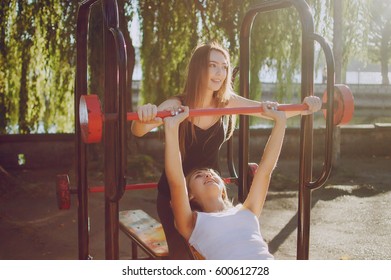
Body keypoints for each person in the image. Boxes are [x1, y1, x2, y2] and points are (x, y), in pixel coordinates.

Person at [131, 41, 322, 259]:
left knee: (219, 246)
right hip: (176, 194)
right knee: (183, 259)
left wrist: (305, 109)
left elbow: (269, 112)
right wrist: (146, 115)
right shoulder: (177, 104)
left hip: (208, 187)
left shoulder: (225, 101)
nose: (220, 73)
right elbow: (138, 130)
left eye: (224, 66)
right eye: (213, 65)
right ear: (198, 69)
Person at [163, 102, 287, 259]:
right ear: (190, 194)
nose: (208, 175)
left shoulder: (248, 210)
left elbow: (265, 171)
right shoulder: (192, 223)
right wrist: (171, 128)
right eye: (199, 175)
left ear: (223, 188)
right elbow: (176, 182)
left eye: (212, 173)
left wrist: (281, 122)